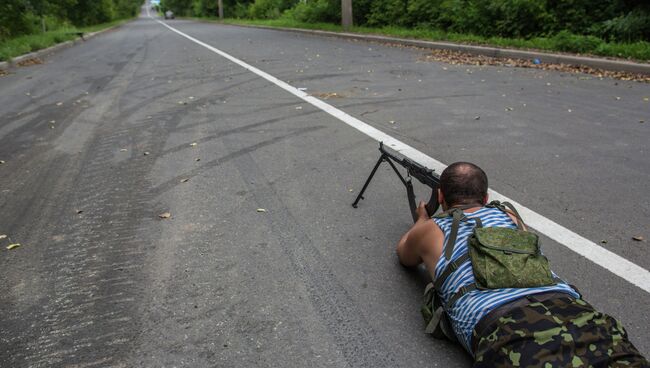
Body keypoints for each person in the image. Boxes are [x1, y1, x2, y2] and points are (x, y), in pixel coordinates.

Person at [397, 162, 648, 367]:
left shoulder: (432, 229)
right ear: (486, 197)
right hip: (574, 309)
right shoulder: (510, 215)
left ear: (440, 196)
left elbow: (405, 256)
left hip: (506, 330)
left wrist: (421, 220)